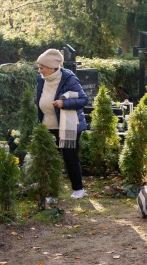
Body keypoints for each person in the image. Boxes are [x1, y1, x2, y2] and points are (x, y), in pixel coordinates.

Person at [36, 49, 88, 199]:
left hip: (68, 125)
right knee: (50, 159)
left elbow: (83, 100)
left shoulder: (69, 79)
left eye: (42, 67)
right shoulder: (41, 79)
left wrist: (63, 103)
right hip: (48, 124)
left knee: (69, 157)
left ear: (51, 68)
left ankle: (78, 189)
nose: (39, 70)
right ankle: (51, 193)